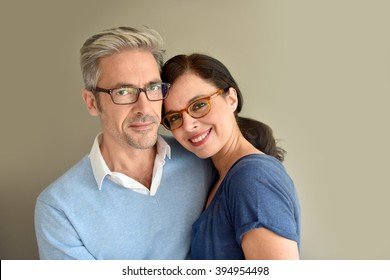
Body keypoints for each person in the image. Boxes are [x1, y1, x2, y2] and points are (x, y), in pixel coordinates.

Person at [34, 27, 214, 260]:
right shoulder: (59, 208)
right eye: (123, 91)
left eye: (152, 88)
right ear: (91, 102)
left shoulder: (200, 157)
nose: (144, 108)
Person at [161, 53, 301, 260]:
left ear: (231, 99)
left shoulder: (253, 178)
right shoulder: (220, 178)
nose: (188, 125)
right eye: (174, 117)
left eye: (199, 105)